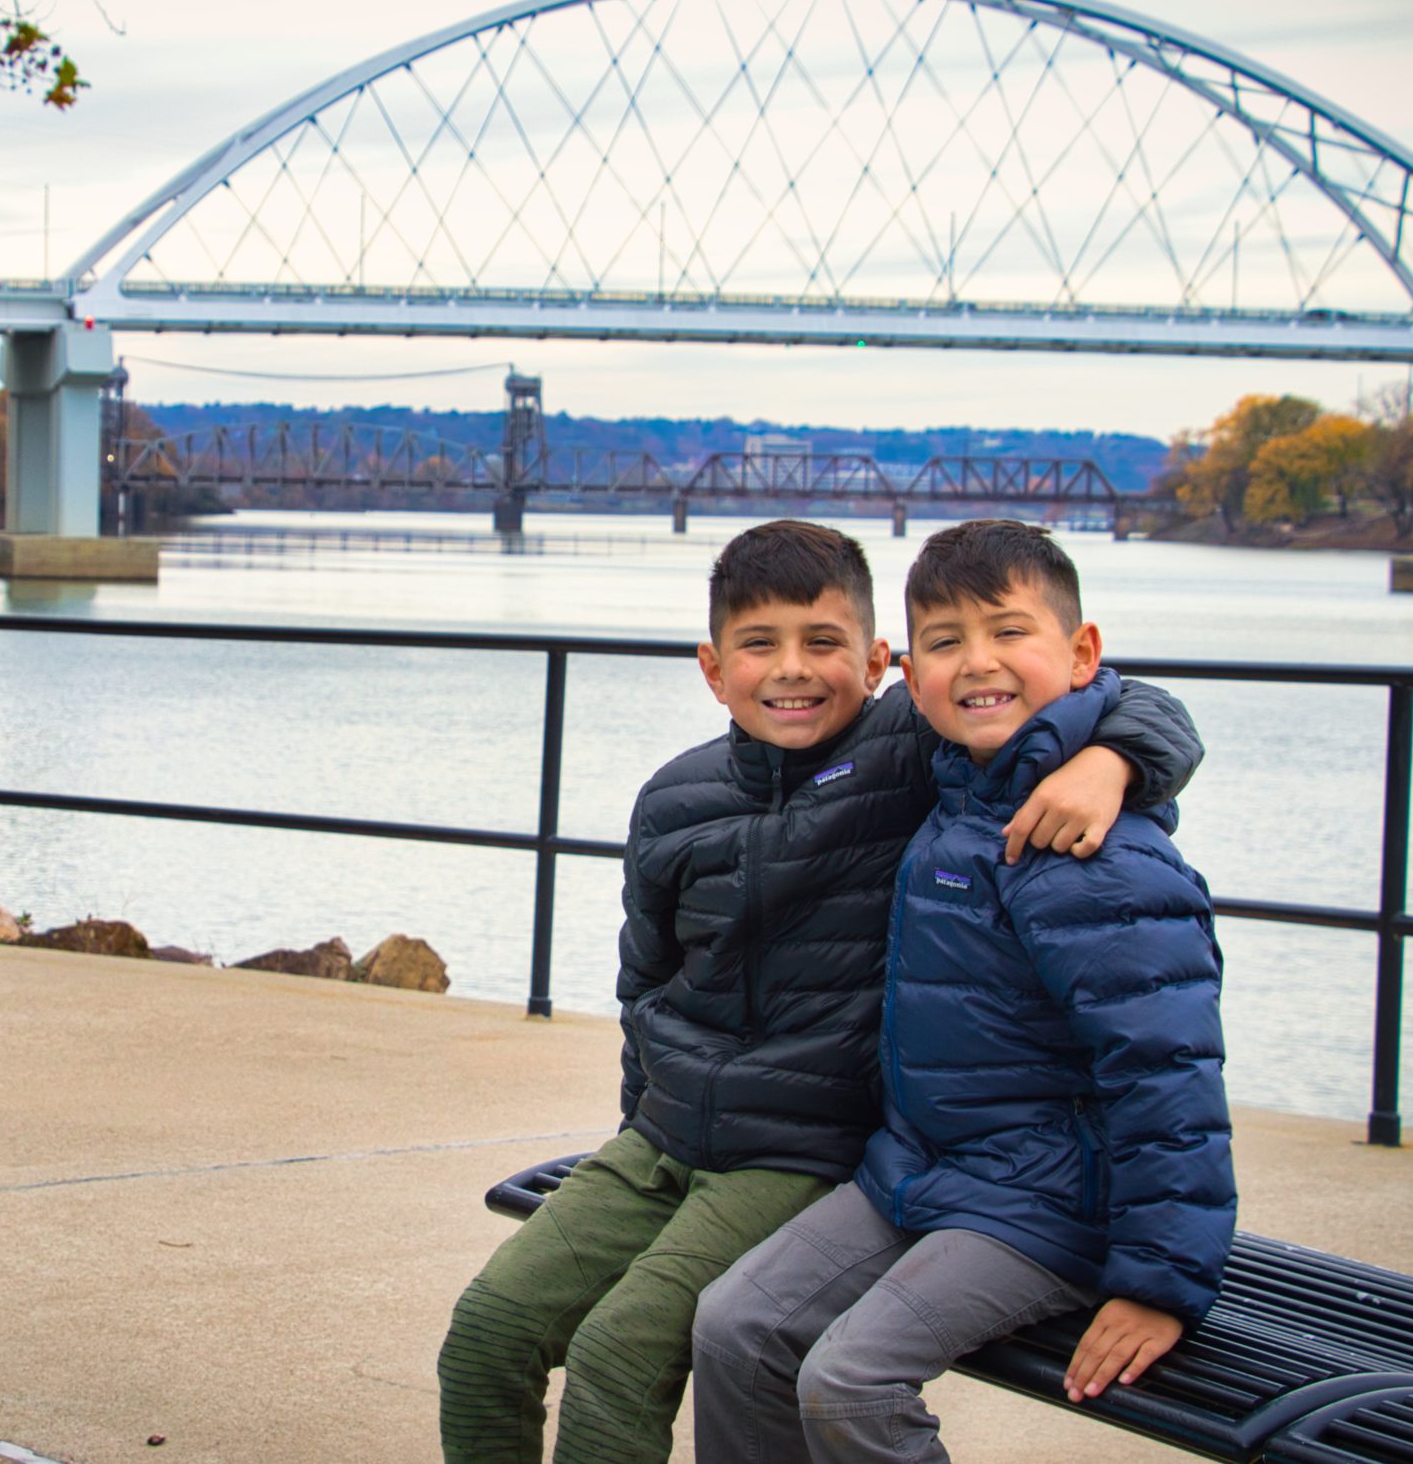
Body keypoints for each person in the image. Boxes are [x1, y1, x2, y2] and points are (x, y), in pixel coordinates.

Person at [437, 519, 1204, 1464]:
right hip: (672, 1139)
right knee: (487, 1332)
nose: (793, 670)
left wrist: (1109, 761)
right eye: (760, 644)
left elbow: (1124, 704)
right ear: (714, 669)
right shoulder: (675, 799)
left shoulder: (913, 752)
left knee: (619, 1354)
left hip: (808, 1153)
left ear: (880, 664)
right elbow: (646, 984)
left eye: (824, 643)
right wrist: (643, 1121)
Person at [690, 518, 1235, 1464]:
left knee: (849, 1382)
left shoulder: (1099, 856)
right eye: (945, 642)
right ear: (909, 676)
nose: (978, 662)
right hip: (925, 1168)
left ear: (1082, 653)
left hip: (1055, 1204)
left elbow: (1169, 1077)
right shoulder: (953, 798)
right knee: (734, 1325)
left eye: (1008, 631)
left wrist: (1160, 1283)